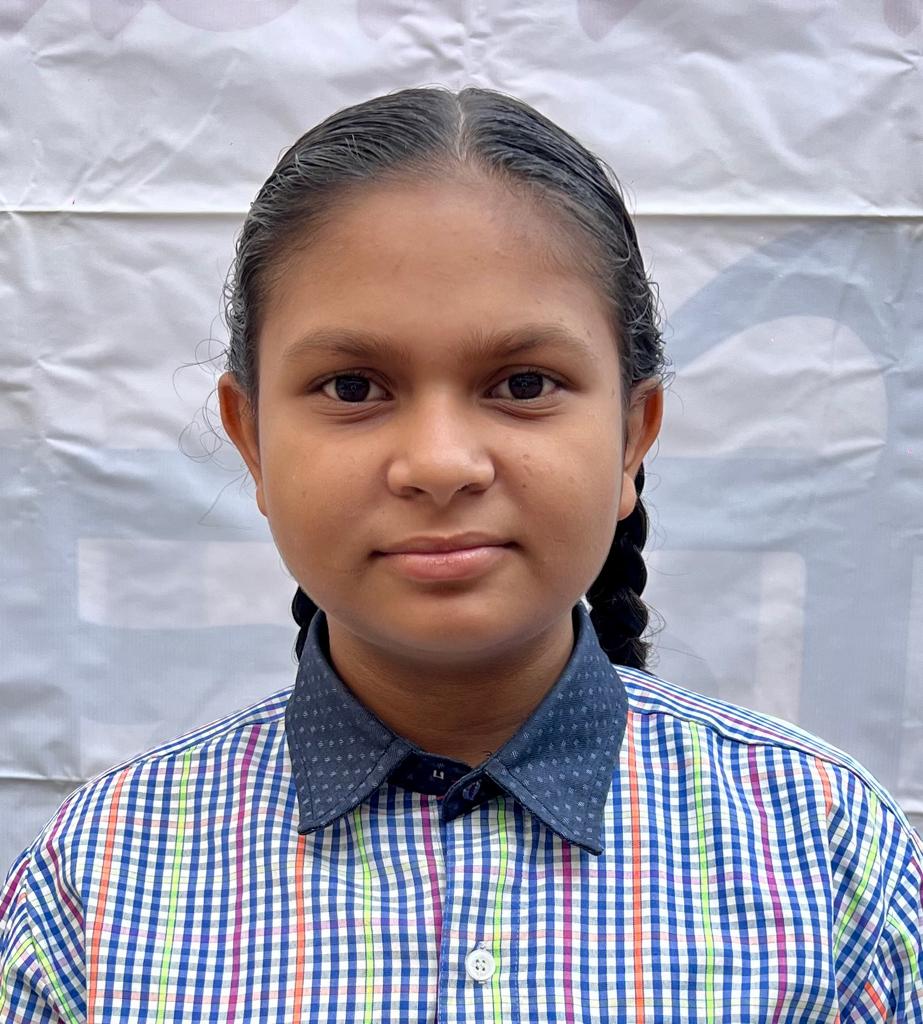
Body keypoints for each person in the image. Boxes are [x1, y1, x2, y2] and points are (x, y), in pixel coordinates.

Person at [1, 86, 920, 1023]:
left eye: (522, 383)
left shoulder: (825, 855)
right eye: (352, 387)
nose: (439, 464)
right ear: (252, 440)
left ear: (631, 437)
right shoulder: (102, 881)